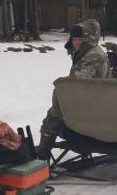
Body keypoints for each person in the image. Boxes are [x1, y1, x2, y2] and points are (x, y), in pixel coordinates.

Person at [36, 19, 110, 159]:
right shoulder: (85, 52)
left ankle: (42, 156)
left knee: (53, 117)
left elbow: (77, 84)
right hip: (89, 98)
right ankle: (44, 150)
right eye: (74, 39)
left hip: (93, 103)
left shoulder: (93, 56)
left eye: (79, 39)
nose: (75, 42)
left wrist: (60, 89)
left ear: (88, 39)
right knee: (55, 111)